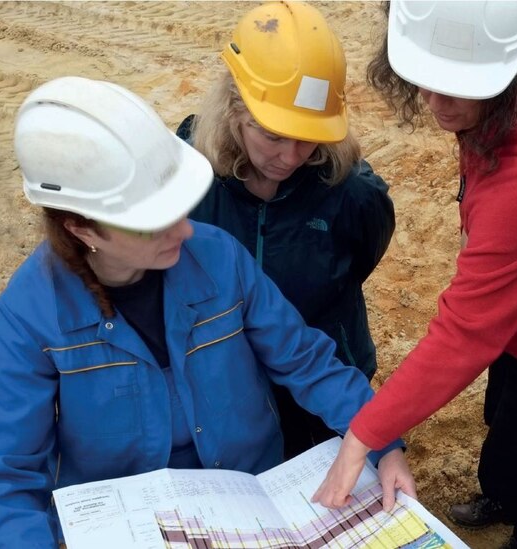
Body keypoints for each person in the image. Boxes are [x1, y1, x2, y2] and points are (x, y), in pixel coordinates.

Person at [0, 76, 414, 549]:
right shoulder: (31, 312)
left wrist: (381, 442)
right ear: (80, 228)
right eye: (155, 222)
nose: (184, 230)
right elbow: (5, 472)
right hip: (127, 530)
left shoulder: (220, 258)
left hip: (251, 504)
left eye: (181, 205)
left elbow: (308, 363)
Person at [313, 2, 517, 547]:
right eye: (426, 83)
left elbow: (466, 333)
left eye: (456, 90)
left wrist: (361, 438)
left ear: (509, 71)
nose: (435, 105)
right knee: (499, 416)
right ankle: (507, 492)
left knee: (509, 462)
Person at [178, 0, 396, 460]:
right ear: (233, 107)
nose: (292, 156)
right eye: (273, 134)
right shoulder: (187, 173)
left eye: (307, 135)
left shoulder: (353, 193)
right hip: (227, 379)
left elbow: (362, 258)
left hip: (325, 380)